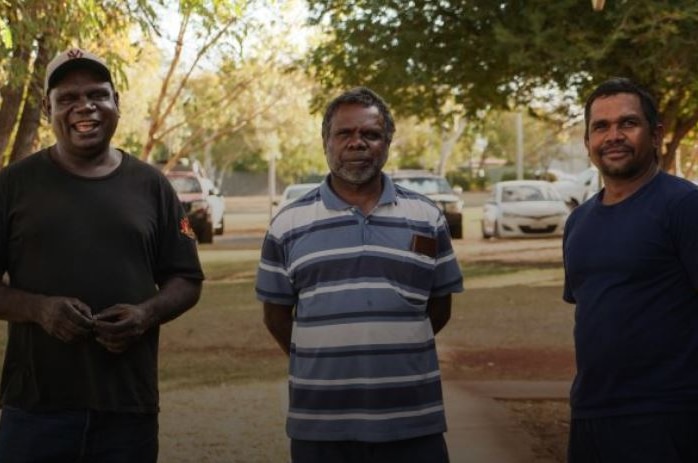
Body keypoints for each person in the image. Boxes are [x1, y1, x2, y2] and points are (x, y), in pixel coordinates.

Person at [0, 48, 204, 462]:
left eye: (97, 95)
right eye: (68, 98)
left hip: (127, 407)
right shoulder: (13, 185)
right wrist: (39, 310)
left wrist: (146, 314)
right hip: (35, 410)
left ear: (116, 103)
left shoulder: (152, 186)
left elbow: (187, 279)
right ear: (47, 109)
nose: (84, 107)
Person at [256, 87, 463, 462]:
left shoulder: (426, 218)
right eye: (344, 133)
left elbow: (439, 308)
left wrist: (393, 346)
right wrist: (322, 356)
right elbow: (275, 316)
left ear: (387, 143)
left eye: (370, 134)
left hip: (413, 421)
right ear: (326, 142)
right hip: (320, 424)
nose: (357, 143)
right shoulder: (287, 224)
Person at [563, 77, 698, 462]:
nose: (613, 136)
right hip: (591, 414)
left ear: (655, 135)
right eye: (600, 127)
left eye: (628, 123)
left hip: (667, 418)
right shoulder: (579, 223)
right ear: (587, 142)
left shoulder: (685, 206)